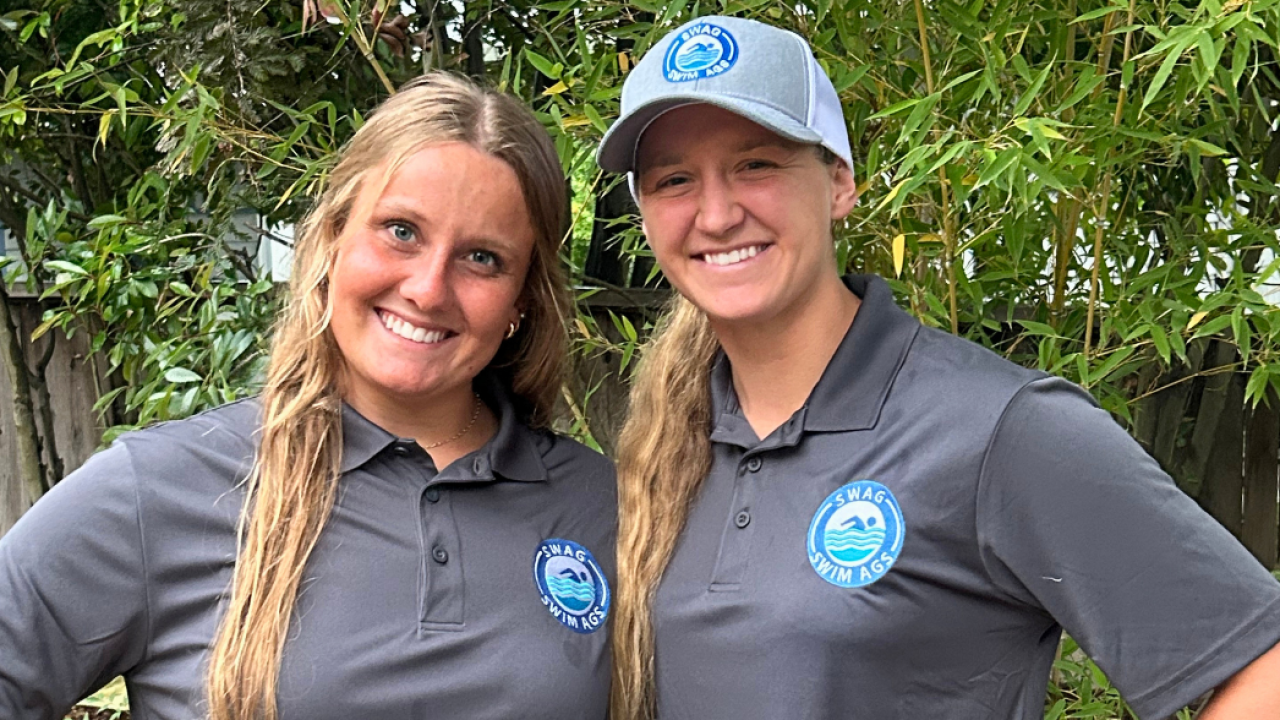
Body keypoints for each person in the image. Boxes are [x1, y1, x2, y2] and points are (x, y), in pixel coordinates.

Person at [597, 15, 1280, 720]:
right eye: (674, 180)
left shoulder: (1000, 430)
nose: (715, 213)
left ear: (838, 182)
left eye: (757, 165)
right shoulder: (667, 449)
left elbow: (1265, 669)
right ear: (645, 216)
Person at [0, 71, 615, 720]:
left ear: (523, 299)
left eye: (483, 258)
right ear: (332, 238)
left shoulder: (604, 510)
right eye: (401, 231)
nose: (429, 289)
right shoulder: (161, 492)